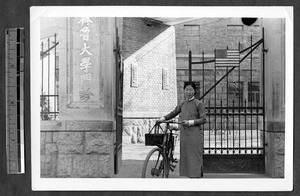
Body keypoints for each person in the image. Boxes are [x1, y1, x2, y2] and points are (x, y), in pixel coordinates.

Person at [156, 81, 206, 178]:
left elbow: (203, 119)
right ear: (184, 91)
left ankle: (196, 178)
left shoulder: (199, 104)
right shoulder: (182, 104)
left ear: (194, 91)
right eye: (186, 90)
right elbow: (173, 113)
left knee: (195, 158)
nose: (188, 92)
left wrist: (190, 122)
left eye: (191, 90)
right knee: (186, 157)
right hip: (184, 136)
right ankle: (188, 179)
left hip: (195, 136)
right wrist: (162, 119)